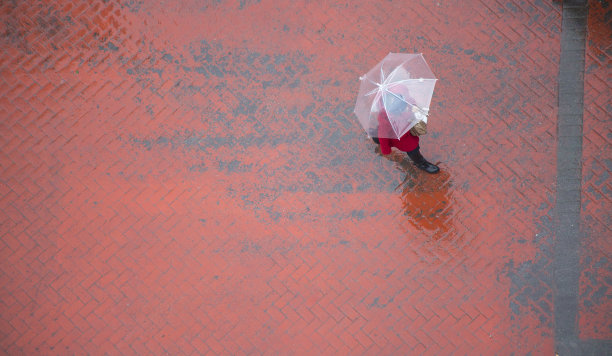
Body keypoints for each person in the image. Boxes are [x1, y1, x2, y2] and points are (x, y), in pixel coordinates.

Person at [371, 89, 439, 174]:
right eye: (402, 109)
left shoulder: (399, 96)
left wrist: (413, 106)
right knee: (413, 149)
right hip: (401, 137)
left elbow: (409, 100)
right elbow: (383, 134)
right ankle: (421, 163)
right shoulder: (386, 118)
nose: (404, 109)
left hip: (407, 130)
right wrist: (386, 149)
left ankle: (374, 136)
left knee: (378, 134)